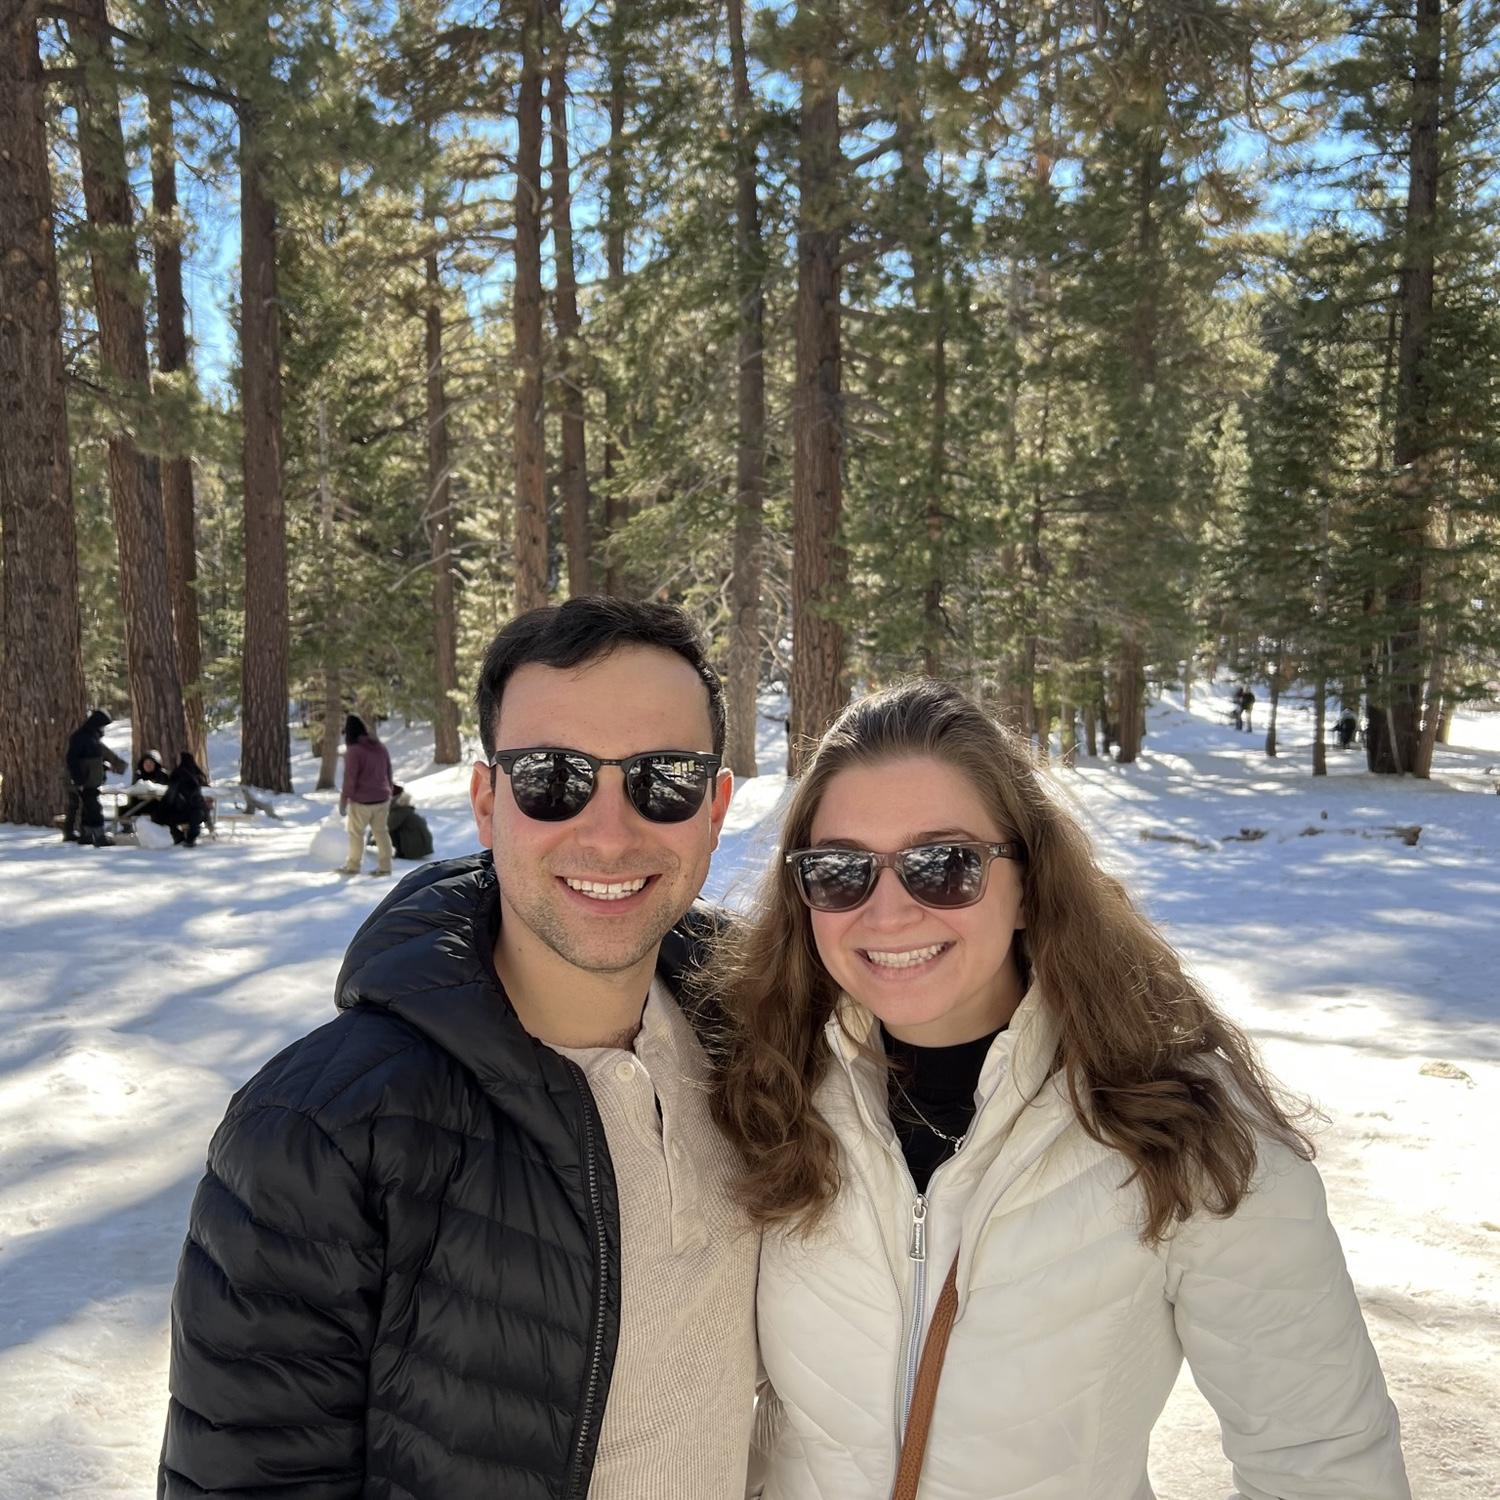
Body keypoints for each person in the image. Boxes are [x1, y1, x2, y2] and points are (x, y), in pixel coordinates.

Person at [711, 679, 1410, 1500]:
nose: (887, 912)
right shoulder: (764, 1089)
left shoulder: (1174, 1124)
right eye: (840, 871)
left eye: (944, 866)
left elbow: (1322, 1462)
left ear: (1028, 882)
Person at [159, 598, 760, 1500]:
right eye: (551, 778)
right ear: (487, 803)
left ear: (714, 809)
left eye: (663, 779)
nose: (609, 833)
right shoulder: (320, 1135)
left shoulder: (768, 1058)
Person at [337, 713, 394, 876]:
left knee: (356, 834)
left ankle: (353, 866)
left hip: (361, 801)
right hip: (382, 798)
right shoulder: (380, 747)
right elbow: (389, 771)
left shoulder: (354, 751)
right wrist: (389, 790)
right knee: (381, 832)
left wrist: (343, 801)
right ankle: (385, 867)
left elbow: (350, 779)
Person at [62, 708, 126, 846]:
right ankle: (98, 835)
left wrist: (105, 767)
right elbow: (73, 760)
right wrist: (78, 779)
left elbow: (95, 759)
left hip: (91, 780)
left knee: (88, 808)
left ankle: (86, 835)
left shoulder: (93, 738)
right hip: (84, 781)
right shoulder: (81, 737)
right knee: (94, 809)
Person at [151, 750, 210, 846]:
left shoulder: (178, 775)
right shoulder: (198, 775)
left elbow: (170, 796)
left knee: (164, 814)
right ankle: (187, 836)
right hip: (198, 812)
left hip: (181, 812)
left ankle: (179, 836)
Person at [118, 749, 169, 830]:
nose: (148, 765)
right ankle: (127, 829)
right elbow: (134, 789)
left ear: (156, 764)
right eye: (146, 763)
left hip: (156, 805)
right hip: (139, 804)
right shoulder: (139, 775)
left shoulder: (162, 775)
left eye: (151, 763)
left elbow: (164, 791)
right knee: (122, 810)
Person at [386, 781, 434, 860]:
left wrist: (370, 841)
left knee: (388, 831)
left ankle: (400, 853)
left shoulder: (400, 811)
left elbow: (387, 827)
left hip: (414, 850)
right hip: (423, 846)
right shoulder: (406, 808)